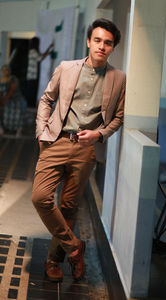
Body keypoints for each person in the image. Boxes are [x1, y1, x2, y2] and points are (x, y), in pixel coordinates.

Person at [32, 18, 126, 282]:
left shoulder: (119, 79)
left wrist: (100, 134)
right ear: (88, 41)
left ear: (112, 48)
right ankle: (74, 246)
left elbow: (118, 118)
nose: (102, 46)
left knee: (69, 206)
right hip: (56, 141)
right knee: (40, 197)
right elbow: (47, 98)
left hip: (85, 149)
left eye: (108, 43)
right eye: (97, 40)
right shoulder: (66, 68)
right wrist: (41, 131)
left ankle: (54, 261)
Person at [25, 37, 53, 107]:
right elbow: (41, 58)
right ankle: (30, 105)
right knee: (32, 90)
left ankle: (30, 104)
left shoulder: (32, 51)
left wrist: (49, 48)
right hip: (32, 75)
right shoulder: (33, 51)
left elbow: (41, 55)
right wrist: (48, 52)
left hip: (31, 75)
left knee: (31, 90)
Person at [0, 64, 26, 136]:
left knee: (16, 107)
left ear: (9, 71)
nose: (5, 72)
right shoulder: (1, 80)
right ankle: (4, 128)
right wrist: (1, 101)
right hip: (5, 98)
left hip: (15, 98)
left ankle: (18, 129)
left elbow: (11, 90)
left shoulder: (13, 79)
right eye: (3, 70)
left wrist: (4, 100)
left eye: (7, 70)